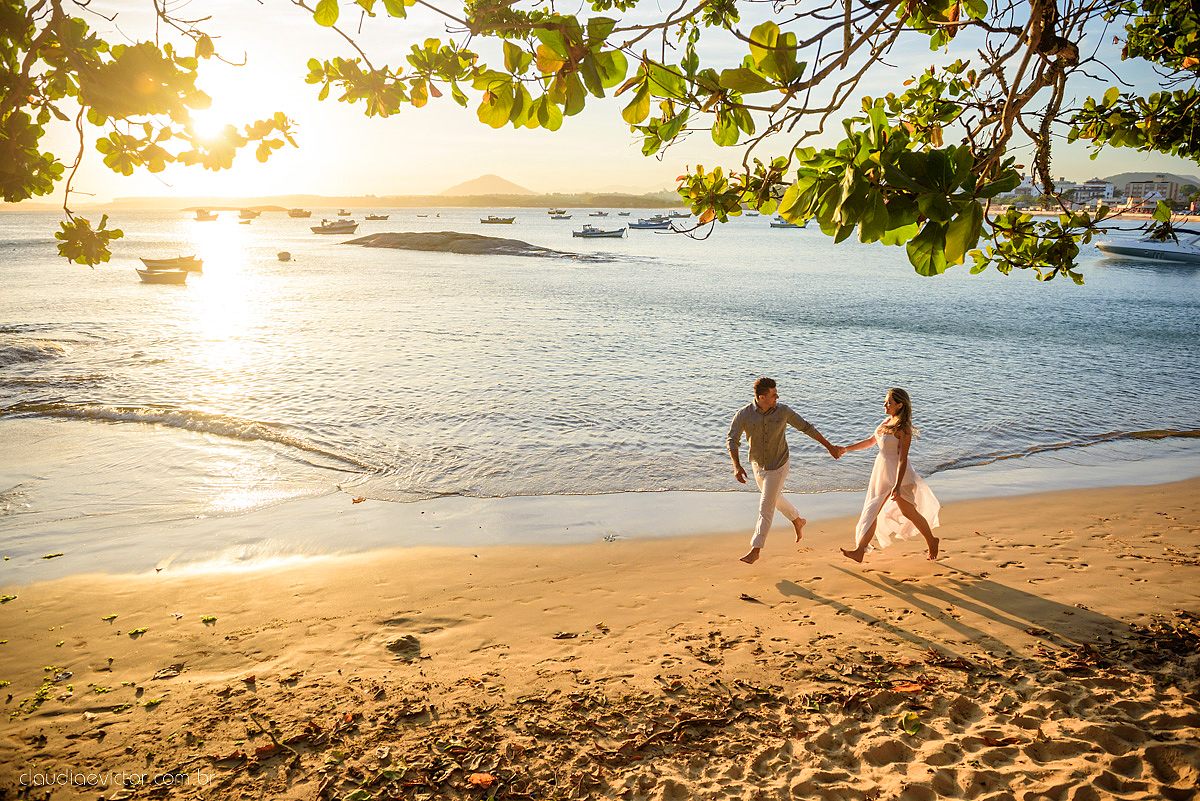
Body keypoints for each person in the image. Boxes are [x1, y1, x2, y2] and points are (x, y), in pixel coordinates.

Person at [728, 377, 841, 564]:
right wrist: (737, 466)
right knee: (775, 500)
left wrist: (829, 446)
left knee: (766, 507)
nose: (777, 397)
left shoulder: (783, 411)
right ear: (762, 397)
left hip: (779, 465)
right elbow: (732, 440)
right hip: (758, 465)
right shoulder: (744, 415)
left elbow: (806, 427)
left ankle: (755, 549)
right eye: (773, 395)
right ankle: (797, 520)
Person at [839, 387, 941, 563]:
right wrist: (846, 449)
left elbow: (902, 459)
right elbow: (871, 441)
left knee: (909, 512)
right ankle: (860, 551)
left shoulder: (904, 429)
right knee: (873, 509)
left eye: (889, 402)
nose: (884, 405)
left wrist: (897, 485)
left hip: (900, 476)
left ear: (899, 405)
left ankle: (932, 540)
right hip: (882, 472)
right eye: (886, 402)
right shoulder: (886, 421)